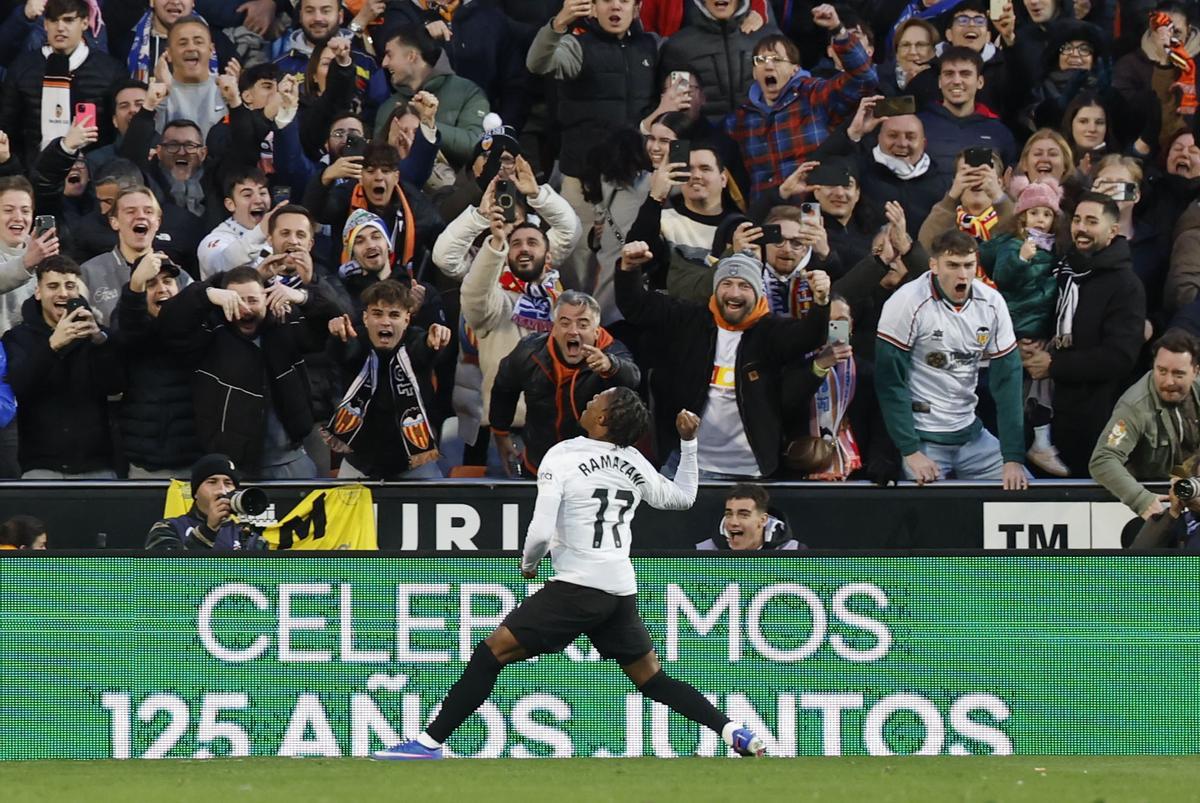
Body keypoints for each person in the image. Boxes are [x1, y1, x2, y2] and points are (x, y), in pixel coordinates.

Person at [372, 387, 767, 760]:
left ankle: (428, 743)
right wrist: (689, 444)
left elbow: (541, 529)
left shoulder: (563, 455)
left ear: (604, 417)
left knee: (491, 653)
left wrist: (529, 564)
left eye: (599, 398)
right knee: (652, 680)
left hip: (577, 586)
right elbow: (682, 498)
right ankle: (733, 730)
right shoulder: (631, 461)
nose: (591, 398)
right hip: (618, 591)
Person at [616, 245, 830, 479]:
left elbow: (810, 336)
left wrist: (821, 303)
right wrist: (628, 269)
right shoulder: (688, 320)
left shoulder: (770, 332)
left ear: (758, 293)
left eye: (744, 285)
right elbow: (637, 306)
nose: (734, 293)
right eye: (726, 284)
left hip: (751, 470)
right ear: (715, 288)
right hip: (685, 464)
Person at [158, 259, 341, 479]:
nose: (245, 309)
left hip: (290, 459)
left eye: (253, 300)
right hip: (233, 465)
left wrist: (302, 296)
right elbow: (168, 321)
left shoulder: (284, 321)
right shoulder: (209, 331)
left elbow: (337, 314)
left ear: (266, 298)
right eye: (237, 301)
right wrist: (206, 293)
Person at [875, 229, 1028, 488]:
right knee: (930, 521)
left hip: (972, 435)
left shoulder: (991, 303)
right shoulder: (906, 303)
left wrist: (1012, 456)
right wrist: (910, 451)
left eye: (969, 265)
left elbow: (1008, 381)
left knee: (1026, 493)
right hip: (923, 439)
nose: (962, 274)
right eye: (953, 265)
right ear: (933, 265)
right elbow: (890, 382)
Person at [1021, 192, 1146, 477]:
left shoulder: (1126, 285)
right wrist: (1029, 342)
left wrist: (1055, 366)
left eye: (1092, 221)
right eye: (1077, 220)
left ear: (1113, 231)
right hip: (1047, 414)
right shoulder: (1063, 270)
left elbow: (1120, 357)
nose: (1081, 228)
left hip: (1095, 422)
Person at [726, 8, 876, 198]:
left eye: (777, 59)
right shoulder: (741, 117)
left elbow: (864, 80)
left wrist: (838, 32)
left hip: (812, 210)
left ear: (795, 69)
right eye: (761, 60)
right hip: (768, 215)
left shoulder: (814, 93)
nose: (769, 65)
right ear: (755, 72)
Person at [490, 290, 641, 474]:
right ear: (553, 328)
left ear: (596, 331)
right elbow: (504, 387)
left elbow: (633, 379)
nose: (573, 331)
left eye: (583, 324)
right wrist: (500, 433)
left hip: (594, 471)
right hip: (540, 466)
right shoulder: (529, 352)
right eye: (565, 323)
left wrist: (610, 366)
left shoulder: (612, 352)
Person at [3, 255, 121, 478]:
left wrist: (100, 341)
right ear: (38, 292)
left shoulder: (97, 335)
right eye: (53, 286)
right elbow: (21, 387)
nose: (63, 293)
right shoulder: (18, 337)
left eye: (70, 286)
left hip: (96, 465)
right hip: (40, 465)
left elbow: (115, 385)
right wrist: (52, 346)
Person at [325, 279, 453, 480]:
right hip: (358, 465)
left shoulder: (415, 340)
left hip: (415, 465)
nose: (385, 322)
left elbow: (423, 350)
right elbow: (348, 352)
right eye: (377, 314)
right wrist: (338, 337)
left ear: (407, 320)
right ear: (365, 318)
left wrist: (433, 342)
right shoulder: (355, 339)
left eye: (394, 315)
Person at [1090, 329, 1200, 519]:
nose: (1168, 381)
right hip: (1158, 499)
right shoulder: (1134, 406)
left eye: (1178, 374)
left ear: (1196, 372)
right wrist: (1140, 499)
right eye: (1162, 371)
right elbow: (1103, 460)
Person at [0, 0, 123, 168]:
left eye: (69, 20)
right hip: (32, 172)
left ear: (85, 22)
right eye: (53, 20)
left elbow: (115, 133)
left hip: (92, 175)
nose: (60, 27)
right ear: (45, 24)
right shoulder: (22, 68)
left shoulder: (110, 71)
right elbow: (7, 128)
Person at [114, 250, 201, 479]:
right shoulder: (129, 328)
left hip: (198, 462)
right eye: (151, 284)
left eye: (168, 281)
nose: (162, 289)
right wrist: (135, 287)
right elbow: (132, 329)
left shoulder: (198, 327)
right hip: (149, 465)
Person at [81, 186, 190, 327]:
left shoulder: (177, 274)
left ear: (158, 222)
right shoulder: (88, 273)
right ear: (114, 222)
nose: (141, 216)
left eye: (148, 211)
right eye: (130, 211)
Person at [658, 0, 778, 120]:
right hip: (703, 136)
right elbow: (677, 112)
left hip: (763, 133)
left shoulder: (770, 39)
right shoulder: (679, 46)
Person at [917, 46, 1017, 183]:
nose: (957, 81)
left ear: (980, 82)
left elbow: (1008, 183)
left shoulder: (999, 132)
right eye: (949, 74)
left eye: (965, 74)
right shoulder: (918, 125)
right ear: (940, 82)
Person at [145, 453, 262, 549]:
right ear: (195, 492)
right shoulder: (168, 528)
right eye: (212, 482)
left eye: (228, 483)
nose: (222, 491)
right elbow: (167, 573)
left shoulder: (247, 535)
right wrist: (208, 530)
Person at [696, 483, 800, 550]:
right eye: (729, 514)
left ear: (763, 520)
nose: (733, 522)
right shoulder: (704, 551)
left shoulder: (793, 550)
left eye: (743, 515)